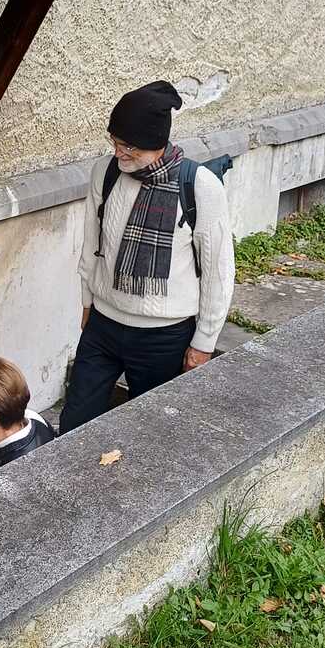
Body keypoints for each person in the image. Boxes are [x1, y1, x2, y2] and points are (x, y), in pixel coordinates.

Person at [60, 80, 234, 434]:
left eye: (129, 146)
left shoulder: (200, 186)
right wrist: (87, 301)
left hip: (163, 338)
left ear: (157, 143)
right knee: (74, 422)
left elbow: (218, 272)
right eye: (114, 142)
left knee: (152, 434)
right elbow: (92, 243)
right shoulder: (106, 172)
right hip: (103, 325)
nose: (119, 153)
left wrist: (204, 342)